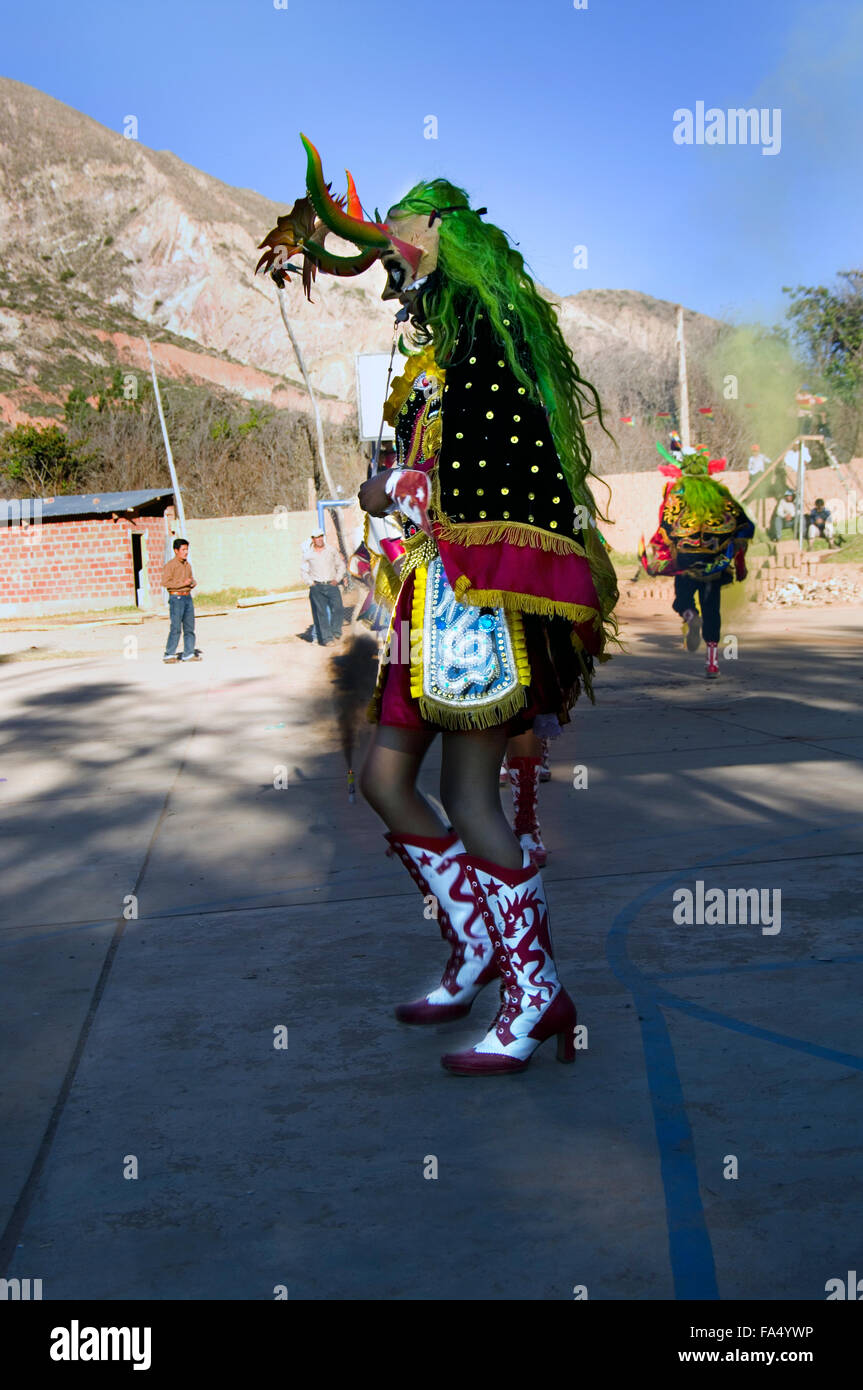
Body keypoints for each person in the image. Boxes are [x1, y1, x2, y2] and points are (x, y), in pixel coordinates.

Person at [258, 137, 617, 1074]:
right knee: (383, 781)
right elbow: (417, 468)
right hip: (424, 604)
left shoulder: (485, 340)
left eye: (401, 252)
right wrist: (388, 487)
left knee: (468, 794)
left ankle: (534, 992)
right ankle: (479, 951)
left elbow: (502, 471)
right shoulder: (431, 362)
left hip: (474, 602)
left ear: (440, 244)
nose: (391, 275)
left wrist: (404, 486)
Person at [640, 447, 754, 679]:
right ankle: (712, 664)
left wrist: (662, 553)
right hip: (714, 562)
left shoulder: (677, 491)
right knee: (712, 609)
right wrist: (737, 555)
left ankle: (690, 616)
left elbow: (666, 525)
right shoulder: (719, 492)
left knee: (681, 601)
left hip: (686, 560)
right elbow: (743, 524)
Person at [301, 529, 346, 645]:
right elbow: (304, 570)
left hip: (332, 584)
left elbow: (340, 565)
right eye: (316, 537)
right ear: (313, 539)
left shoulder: (331, 550)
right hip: (317, 587)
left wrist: (337, 578)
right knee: (321, 613)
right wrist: (310, 583)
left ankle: (336, 631)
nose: (319, 539)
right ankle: (327, 639)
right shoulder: (308, 554)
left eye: (321, 536)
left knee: (339, 608)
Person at [161, 538, 201, 663]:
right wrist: (182, 583)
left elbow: (191, 579)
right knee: (176, 627)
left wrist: (192, 583)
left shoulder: (187, 565)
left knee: (189, 627)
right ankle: (169, 654)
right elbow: (165, 582)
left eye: (187, 549)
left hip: (187, 597)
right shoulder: (170, 565)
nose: (186, 552)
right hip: (176, 598)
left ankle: (188, 653)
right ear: (176, 550)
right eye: (183, 549)